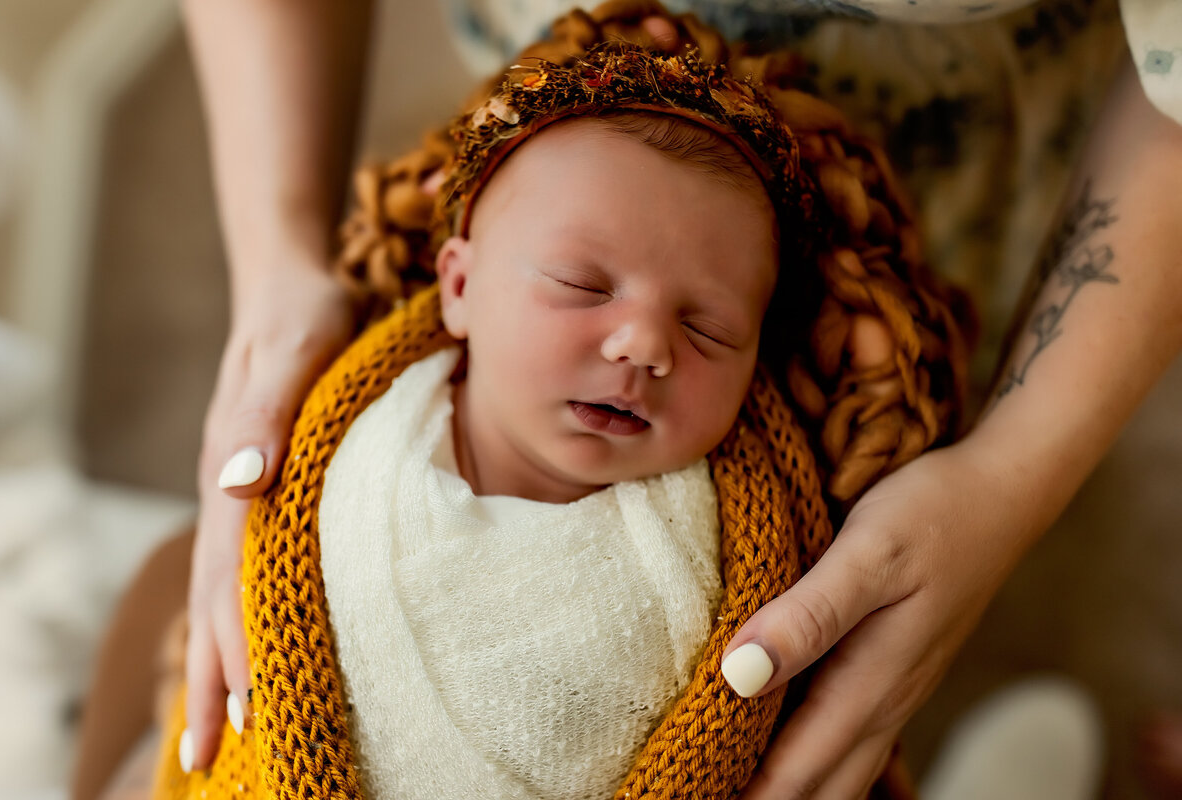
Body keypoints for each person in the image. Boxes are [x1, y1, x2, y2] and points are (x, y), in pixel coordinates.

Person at [178, 0, 1182, 797]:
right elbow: (272, 623)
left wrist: (1009, 475)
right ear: (458, 283)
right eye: (580, 284)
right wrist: (277, 260)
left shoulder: (756, 535)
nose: (645, 343)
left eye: (709, 330)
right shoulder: (354, 431)